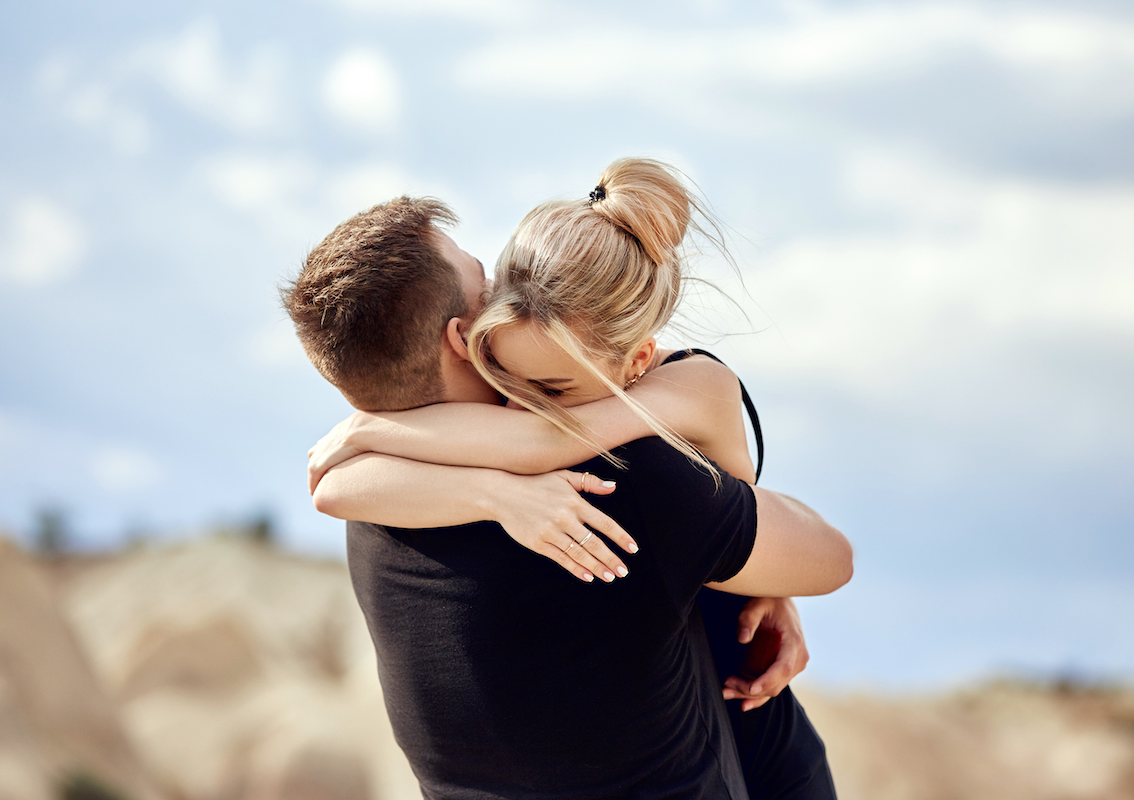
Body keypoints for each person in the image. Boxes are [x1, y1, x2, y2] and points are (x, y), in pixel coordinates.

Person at [283, 192, 852, 799]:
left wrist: (377, 432)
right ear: (461, 335)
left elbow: (339, 486)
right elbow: (832, 557)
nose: (497, 287)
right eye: (483, 279)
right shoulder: (620, 482)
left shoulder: (380, 501)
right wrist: (765, 572)